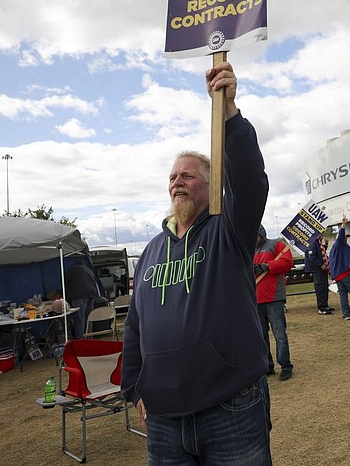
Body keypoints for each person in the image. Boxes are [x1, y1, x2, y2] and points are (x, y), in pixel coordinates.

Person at [121, 62, 272, 465]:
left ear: (212, 184)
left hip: (231, 409)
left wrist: (229, 114)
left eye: (188, 175)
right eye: (172, 177)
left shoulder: (229, 231)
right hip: (164, 420)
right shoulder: (152, 251)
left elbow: (250, 180)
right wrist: (135, 387)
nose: (177, 182)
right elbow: (135, 325)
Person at [254, 224, 294, 381]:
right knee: (261, 336)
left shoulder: (276, 245)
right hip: (255, 299)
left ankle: (285, 365)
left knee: (279, 335)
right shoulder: (247, 249)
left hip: (274, 299)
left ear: (261, 234)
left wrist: (267, 266)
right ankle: (267, 366)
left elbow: (287, 262)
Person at [63, 258, 101, 339]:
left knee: (79, 318)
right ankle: (90, 337)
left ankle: (80, 339)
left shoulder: (72, 270)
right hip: (91, 295)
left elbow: (63, 282)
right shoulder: (89, 270)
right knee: (89, 317)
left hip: (78, 296)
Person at [304, 236, 333, 315]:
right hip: (317, 269)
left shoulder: (318, 243)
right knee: (320, 287)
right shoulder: (313, 242)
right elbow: (312, 257)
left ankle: (325, 305)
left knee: (324, 286)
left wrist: (326, 245)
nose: (322, 235)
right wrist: (320, 264)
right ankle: (321, 307)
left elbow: (321, 253)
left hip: (322, 268)